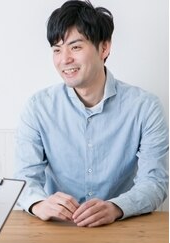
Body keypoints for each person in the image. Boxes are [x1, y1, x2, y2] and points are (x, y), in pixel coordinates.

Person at [15, 0, 168, 227]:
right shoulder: (38, 108)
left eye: (75, 47)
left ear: (104, 48)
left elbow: (155, 182)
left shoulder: (145, 107)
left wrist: (116, 207)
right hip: (58, 229)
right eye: (57, 50)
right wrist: (39, 204)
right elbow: (25, 179)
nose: (64, 59)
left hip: (120, 227)